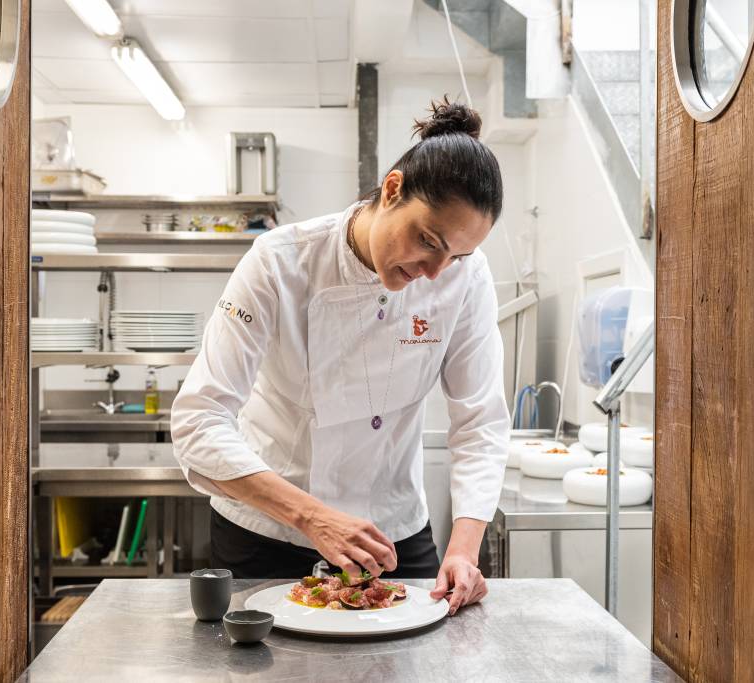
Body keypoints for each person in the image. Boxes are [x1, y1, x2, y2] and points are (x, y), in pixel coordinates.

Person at [171, 98, 509, 615]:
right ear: (393, 190)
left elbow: (479, 420)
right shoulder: (281, 261)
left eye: (455, 255)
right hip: (268, 528)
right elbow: (199, 420)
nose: (436, 271)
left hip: (390, 527)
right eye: (428, 240)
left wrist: (464, 550)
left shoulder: (466, 277)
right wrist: (311, 516)